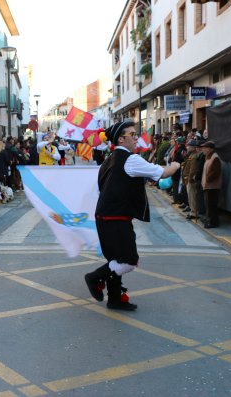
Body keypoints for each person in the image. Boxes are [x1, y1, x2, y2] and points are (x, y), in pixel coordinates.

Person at [84, 121, 181, 311]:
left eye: (136, 134)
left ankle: (115, 299)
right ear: (121, 139)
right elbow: (161, 173)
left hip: (106, 216)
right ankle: (94, 277)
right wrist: (176, 164)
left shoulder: (109, 160)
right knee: (128, 260)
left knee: (117, 259)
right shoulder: (130, 159)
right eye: (133, 134)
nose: (136, 138)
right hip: (115, 218)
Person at [200, 141, 222, 229]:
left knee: (212, 205)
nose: (203, 150)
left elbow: (215, 172)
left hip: (212, 186)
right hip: (208, 185)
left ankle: (213, 222)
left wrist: (208, 180)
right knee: (208, 205)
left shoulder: (215, 158)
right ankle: (209, 220)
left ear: (209, 149)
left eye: (204, 148)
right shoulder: (208, 157)